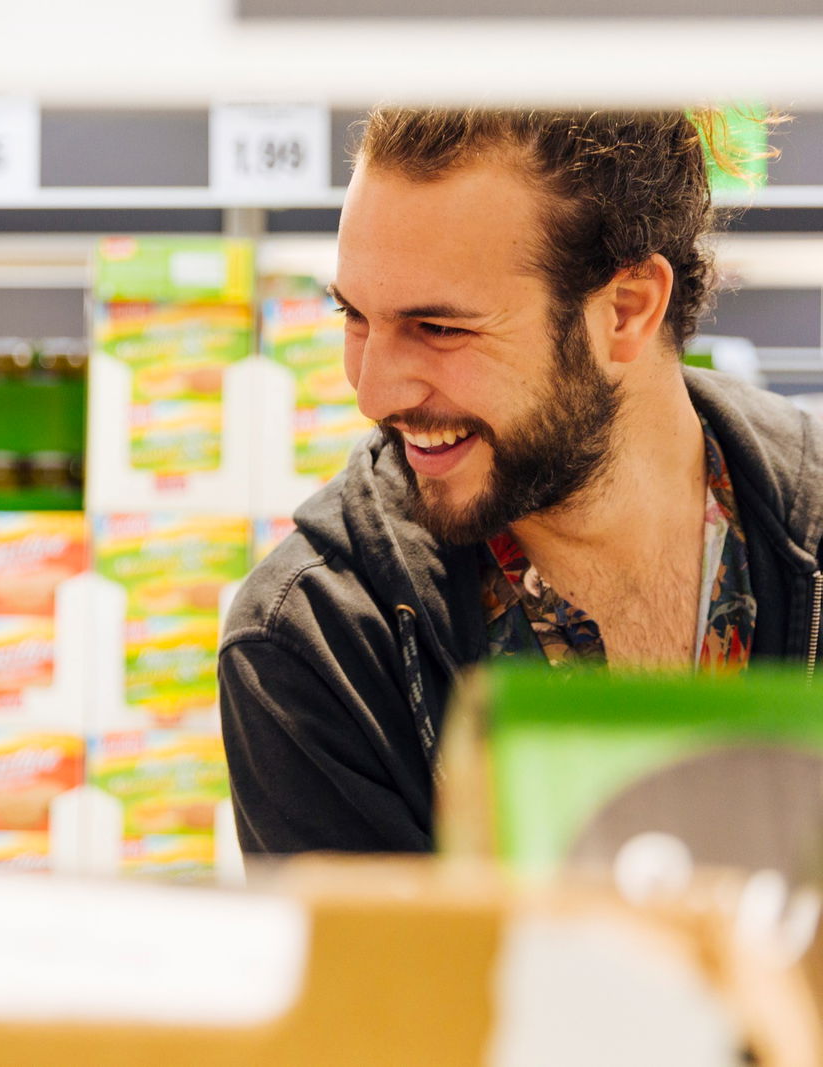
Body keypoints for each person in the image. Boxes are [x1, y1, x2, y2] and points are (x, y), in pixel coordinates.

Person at [221, 109, 823, 856]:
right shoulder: (318, 643)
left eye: (439, 329)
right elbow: (384, 973)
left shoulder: (808, 526)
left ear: (627, 310)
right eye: (355, 316)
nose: (373, 393)